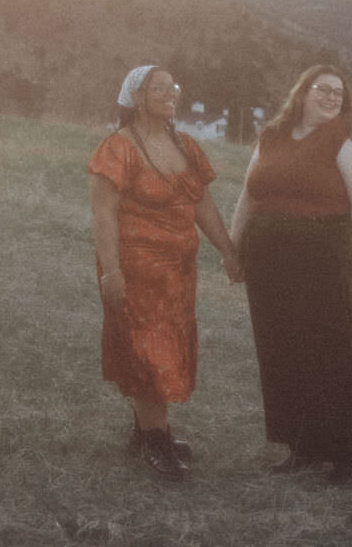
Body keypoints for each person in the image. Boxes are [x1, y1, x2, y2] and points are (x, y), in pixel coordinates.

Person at [88, 65, 243, 480]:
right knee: (146, 348)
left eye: (173, 87)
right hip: (134, 269)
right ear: (136, 97)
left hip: (177, 273)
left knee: (167, 345)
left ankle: (148, 432)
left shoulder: (187, 147)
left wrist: (227, 250)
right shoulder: (117, 148)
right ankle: (156, 442)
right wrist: (111, 272)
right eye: (159, 88)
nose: (170, 93)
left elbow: (203, 205)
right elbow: (104, 215)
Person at [229, 64, 352, 485]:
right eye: (324, 89)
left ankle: (350, 458)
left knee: (334, 352)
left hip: (323, 258)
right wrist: (233, 248)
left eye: (339, 93)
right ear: (303, 92)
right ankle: (303, 447)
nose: (333, 97)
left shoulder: (348, 142)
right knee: (282, 351)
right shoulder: (272, 136)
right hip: (268, 259)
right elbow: (248, 194)